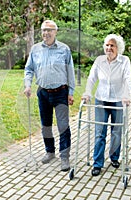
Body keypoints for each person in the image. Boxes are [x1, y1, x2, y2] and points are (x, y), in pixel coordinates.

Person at [24, 20, 76, 172]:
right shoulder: (35, 49)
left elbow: (70, 72)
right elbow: (29, 69)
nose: (46, 33)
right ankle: (50, 151)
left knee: (63, 126)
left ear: (55, 32)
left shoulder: (64, 49)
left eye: (49, 30)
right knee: (45, 125)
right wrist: (27, 85)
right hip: (43, 92)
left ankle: (64, 156)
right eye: (43, 30)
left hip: (61, 92)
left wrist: (70, 92)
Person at [82, 34, 131, 176]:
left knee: (116, 132)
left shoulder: (124, 61)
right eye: (107, 45)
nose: (109, 48)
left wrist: (127, 95)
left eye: (112, 46)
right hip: (101, 100)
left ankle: (114, 157)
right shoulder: (99, 61)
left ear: (118, 48)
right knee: (99, 133)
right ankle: (97, 163)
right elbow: (92, 78)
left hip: (118, 100)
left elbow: (128, 79)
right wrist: (87, 93)